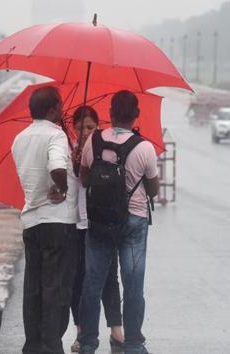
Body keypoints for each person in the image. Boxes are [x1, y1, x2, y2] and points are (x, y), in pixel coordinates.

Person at [77, 91, 160, 354]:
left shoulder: (93, 140)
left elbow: (85, 180)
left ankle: (88, 342)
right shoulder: (144, 147)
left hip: (99, 220)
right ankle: (134, 343)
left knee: (93, 282)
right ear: (136, 115)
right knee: (133, 283)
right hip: (133, 221)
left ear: (110, 114)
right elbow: (154, 190)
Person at [12, 86, 79, 354]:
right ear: (52, 109)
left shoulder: (19, 139)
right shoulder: (56, 135)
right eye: (60, 105)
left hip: (32, 222)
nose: (63, 110)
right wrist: (62, 188)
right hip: (57, 223)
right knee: (57, 290)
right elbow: (56, 167)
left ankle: (33, 346)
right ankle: (52, 348)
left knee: (34, 289)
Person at [69, 106, 124, 353]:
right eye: (79, 128)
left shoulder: (103, 148)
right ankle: (81, 331)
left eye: (90, 127)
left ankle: (116, 329)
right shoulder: (66, 148)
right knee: (78, 278)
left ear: (98, 126)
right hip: (75, 222)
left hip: (100, 221)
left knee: (109, 277)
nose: (84, 132)